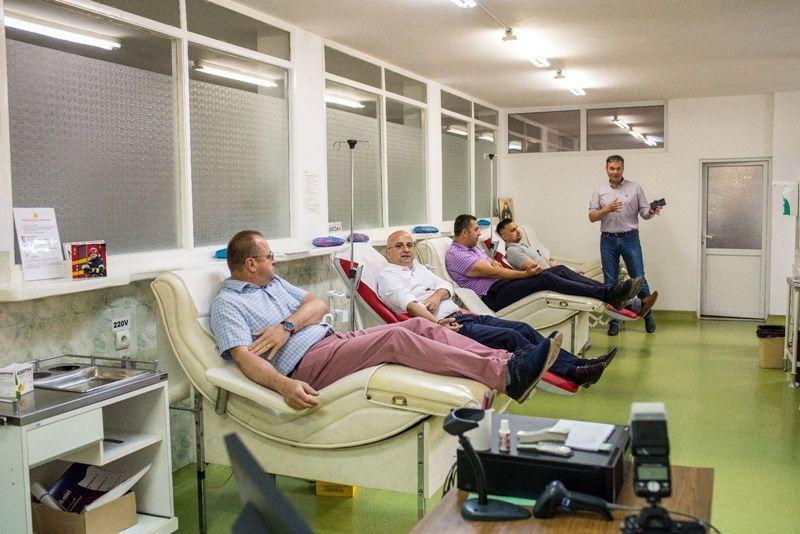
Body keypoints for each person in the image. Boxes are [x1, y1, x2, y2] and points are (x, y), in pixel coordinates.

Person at [209, 230, 563, 409]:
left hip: (331, 341)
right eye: (269, 257)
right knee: (396, 339)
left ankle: (508, 361)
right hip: (306, 365)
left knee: (420, 325)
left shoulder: (273, 283)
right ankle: (504, 375)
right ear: (251, 264)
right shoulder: (228, 305)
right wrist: (285, 387)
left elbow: (316, 305)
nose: (274, 261)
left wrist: (286, 327)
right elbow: (246, 360)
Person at [377, 230, 616, 387]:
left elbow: (446, 286)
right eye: (399, 246)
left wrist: (437, 296)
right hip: (447, 327)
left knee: (523, 328)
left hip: (462, 316)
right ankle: (572, 372)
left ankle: (579, 364)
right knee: (511, 337)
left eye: (409, 245)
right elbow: (411, 305)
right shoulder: (388, 276)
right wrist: (438, 324)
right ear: (388, 252)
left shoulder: (417, 268)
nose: (406, 249)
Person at [445, 214, 641, 313]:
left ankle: (610, 292)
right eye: (476, 229)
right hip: (492, 297)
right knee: (545, 278)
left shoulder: (472, 249)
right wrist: (525, 275)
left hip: (501, 286)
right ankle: (609, 294)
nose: (479, 233)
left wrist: (492, 265)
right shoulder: (457, 255)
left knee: (559, 270)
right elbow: (496, 272)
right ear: (465, 233)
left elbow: (492, 265)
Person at [495, 219, 658, 318]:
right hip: (543, 280)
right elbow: (534, 268)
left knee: (564, 271)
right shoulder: (513, 251)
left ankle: (633, 303)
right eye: (513, 230)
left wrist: (565, 268)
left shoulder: (523, 246)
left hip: (550, 273)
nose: (518, 231)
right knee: (564, 274)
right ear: (503, 236)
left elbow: (545, 262)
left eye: (517, 228)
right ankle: (617, 295)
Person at [589, 155, 662, 335]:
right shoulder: (599, 190)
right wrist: (607, 209)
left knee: (638, 277)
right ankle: (614, 321)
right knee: (610, 281)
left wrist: (652, 210)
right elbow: (592, 216)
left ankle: (647, 315)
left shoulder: (635, 188)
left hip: (630, 239)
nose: (615, 172)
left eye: (618, 168)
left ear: (623, 169)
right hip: (608, 240)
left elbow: (644, 213)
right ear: (606, 169)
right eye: (612, 168)